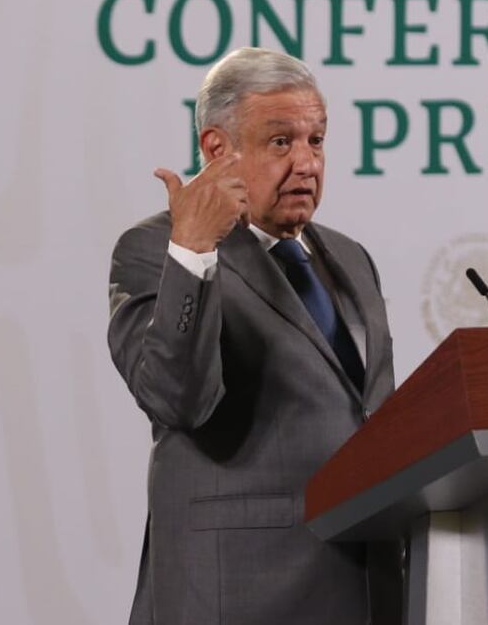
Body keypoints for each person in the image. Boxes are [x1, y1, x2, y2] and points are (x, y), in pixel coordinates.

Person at [107, 47, 400, 624]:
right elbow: (176, 399)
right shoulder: (153, 250)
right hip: (239, 591)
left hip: (367, 587)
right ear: (218, 149)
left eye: (316, 140)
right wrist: (192, 251)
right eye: (280, 142)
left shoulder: (349, 257)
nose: (307, 162)